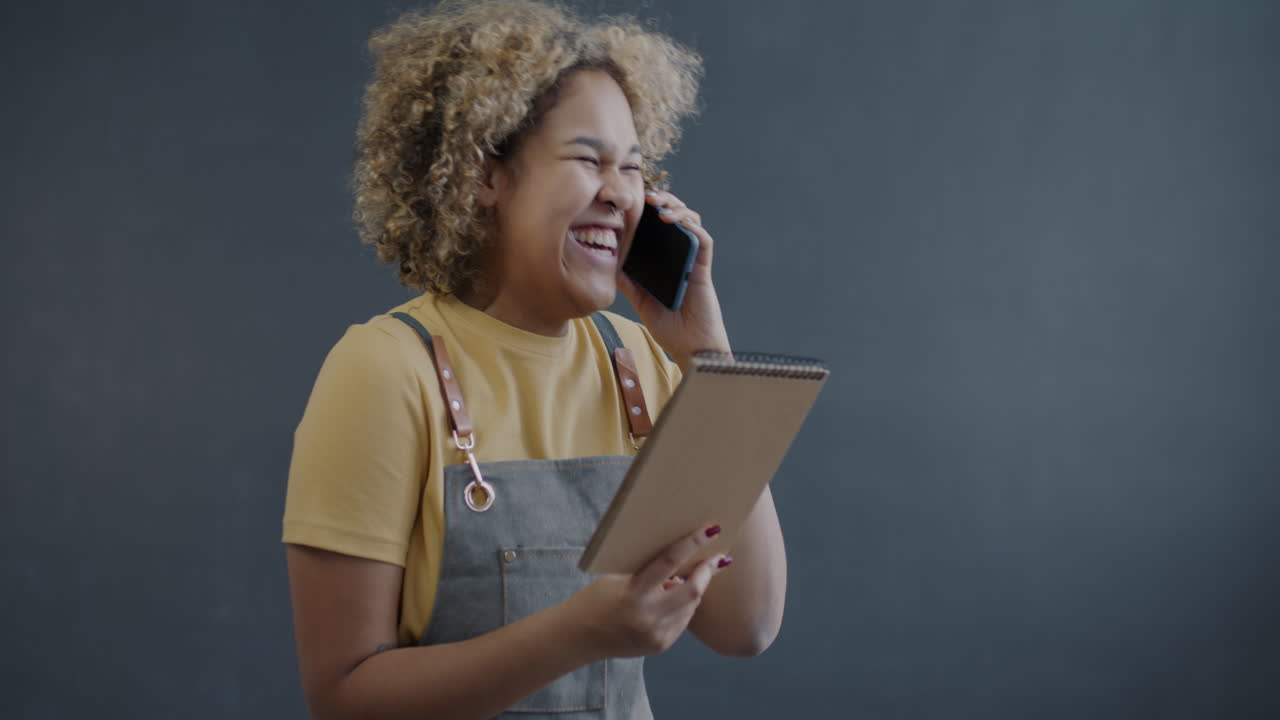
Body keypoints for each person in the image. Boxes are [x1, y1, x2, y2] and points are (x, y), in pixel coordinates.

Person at [283, 1, 787, 717]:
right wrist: (578, 633)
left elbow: (747, 625)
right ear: (484, 175)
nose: (621, 194)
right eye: (589, 160)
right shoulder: (384, 371)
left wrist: (709, 361)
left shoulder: (641, 360)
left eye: (634, 168)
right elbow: (343, 699)